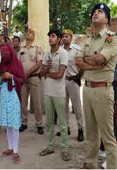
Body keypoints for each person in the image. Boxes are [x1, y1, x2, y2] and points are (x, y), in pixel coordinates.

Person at [75, 3, 117, 169]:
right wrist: (93, 63)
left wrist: (92, 61)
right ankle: (89, 164)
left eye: (100, 11)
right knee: (91, 133)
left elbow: (99, 59)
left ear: (107, 19)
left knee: (107, 137)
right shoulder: (89, 39)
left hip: (103, 90)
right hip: (87, 90)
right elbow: (77, 61)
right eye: (94, 11)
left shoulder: (112, 38)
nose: (95, 13)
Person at [39, 28, 71, 161]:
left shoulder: (63, 53)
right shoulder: (46, 54)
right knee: (49, 122)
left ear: (58, 39)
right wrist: (46, 68)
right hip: (47, 91)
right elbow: (41, 73)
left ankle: (65, 149)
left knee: (62, 123)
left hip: (58, 93)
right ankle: (50, 146)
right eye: (49, 37)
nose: (50, 39)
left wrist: (47, 73)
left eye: (53, 36)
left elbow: (59, 75)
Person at [0, 43, 25, 164]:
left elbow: (22, 79)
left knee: (14, 123)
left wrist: (12, 77)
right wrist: (3, 77)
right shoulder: (2, 63)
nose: (5, 56)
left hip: (14, 94)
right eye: (2, 54)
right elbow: (0, 78)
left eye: (7, 54)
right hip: (4, 94)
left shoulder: (17, 63)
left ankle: (16, 150)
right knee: (8, 123)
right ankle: (10, 147)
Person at [56, 29, 84, 142]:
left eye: (67, 36)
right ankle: (65, 128)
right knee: (63, 107)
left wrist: (79, 76)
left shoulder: (76, 50)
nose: (64, 38)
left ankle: (81, 129)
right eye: (63, 36)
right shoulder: (59, 50)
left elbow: (82, 65)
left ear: (71, 38)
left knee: (77, 107)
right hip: (62, 81)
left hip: (73, 81)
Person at [18, 28, 44, 134]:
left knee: (37, 102)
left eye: (30, 33)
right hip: (23, 79)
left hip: (34, 77)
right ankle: (24, 123)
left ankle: (39, 124)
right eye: (27, 33)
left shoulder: (37, 48)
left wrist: (27, 73)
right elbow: (18, 64)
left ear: (34, 37)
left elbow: (39, 63)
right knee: (23, 102)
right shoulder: (21, 49)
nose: (28, 34)